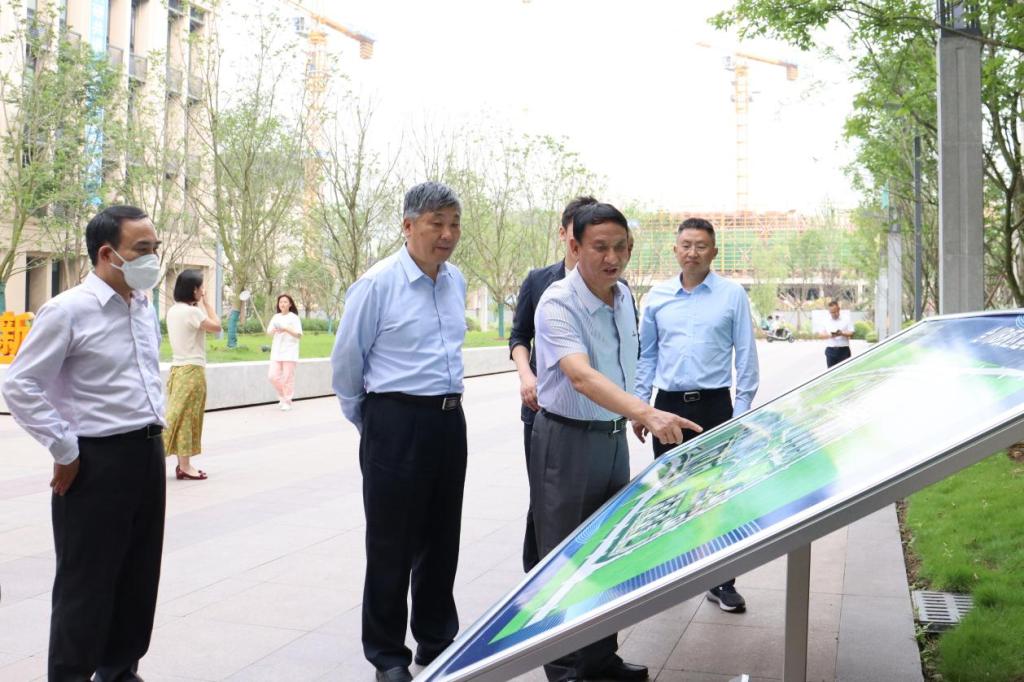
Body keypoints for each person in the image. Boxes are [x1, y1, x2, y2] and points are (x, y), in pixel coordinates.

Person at [531, 202, 698, 682]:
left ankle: (600, 659)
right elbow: (581, 376)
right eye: (600, 247)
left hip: (611, 437)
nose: (612, 258)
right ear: (574, 245)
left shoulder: (623, 296)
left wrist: (631, 411)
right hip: (566, 441)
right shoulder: (557, 303)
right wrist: (644, 412)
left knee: (607, 552)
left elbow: (624, 363)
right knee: (564, 560)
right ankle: (566, 671)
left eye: (620, 247)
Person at [1, 205, 166, 681]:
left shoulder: (142, 305)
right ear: (108, 254)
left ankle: (119, 670)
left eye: (154, 248)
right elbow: (19, 385)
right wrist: (65, 447)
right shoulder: (68, 310)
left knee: (138, 576)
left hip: (146, 452)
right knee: (86, 583)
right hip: (95, 461)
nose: (152, 258)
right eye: (142, 249)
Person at [331, 181, 468, 682]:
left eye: (454, 224)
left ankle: (436, 637)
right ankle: (387, 654)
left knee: (442, 535)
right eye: (437, 224)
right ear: (408, 226)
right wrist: (371, 422)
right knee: (391, 542)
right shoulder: (377, 284)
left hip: (449, 419)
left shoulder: (455, 280)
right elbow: (347, 362)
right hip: (395, 420)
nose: (447, 234)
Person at [634, 216, 759, 613]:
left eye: (701, 246)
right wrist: (641, 407)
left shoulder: (732, 295)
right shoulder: (657, 297)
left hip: (715, 407)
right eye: (686, 245)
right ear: (675, 250)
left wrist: (740, 414)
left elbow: (746, 356)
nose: (693, 253)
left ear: (714, 252)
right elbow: (646, 356)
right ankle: (670, 577)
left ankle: (722, 581)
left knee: (719, 494)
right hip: (667, 407)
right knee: (671, 494)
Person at [508, 195, 597, 573]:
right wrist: (527, 376)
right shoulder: (539, 281)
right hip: (542, 410)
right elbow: (518, 337)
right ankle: (536, 576)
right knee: (544, 499)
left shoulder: (614, 286)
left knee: (590, 501)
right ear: (565, 235)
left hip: (592, 415)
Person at [164, 269, 221, 480]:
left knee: (178, 417)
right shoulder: (193, 313)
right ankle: (183, 466)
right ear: (194, 289)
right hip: (192, 371)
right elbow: (217, 327)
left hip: (177, 370)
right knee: (185, 418)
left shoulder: (173, 310)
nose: (203, 290)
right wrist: (207, 304)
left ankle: (184, 465)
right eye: (201, 287)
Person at [267, 293, 303, 410]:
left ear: (290, 304)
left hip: (289, 352)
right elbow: (269, 332)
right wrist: (274, 329)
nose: (282, 304)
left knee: (288, 378)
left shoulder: (294, 318)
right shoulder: (275, 317)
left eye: (285, 302)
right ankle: (283, 396)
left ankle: (287, 401)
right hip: (276, 351)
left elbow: (299, 335)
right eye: (281, 302)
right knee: (272, 376)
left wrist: (286, 328)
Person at [821, 299, 854, 367]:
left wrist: (842, 333)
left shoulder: (846, 319)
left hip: (844, 351)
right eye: (832, 312)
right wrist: (830, 335)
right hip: (831, 350)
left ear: (839, 309)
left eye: (835, 312)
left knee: (844, 371)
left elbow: (851, 333)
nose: (834, 314)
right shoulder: (825, 320)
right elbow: (821, 335)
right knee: (831, 372)